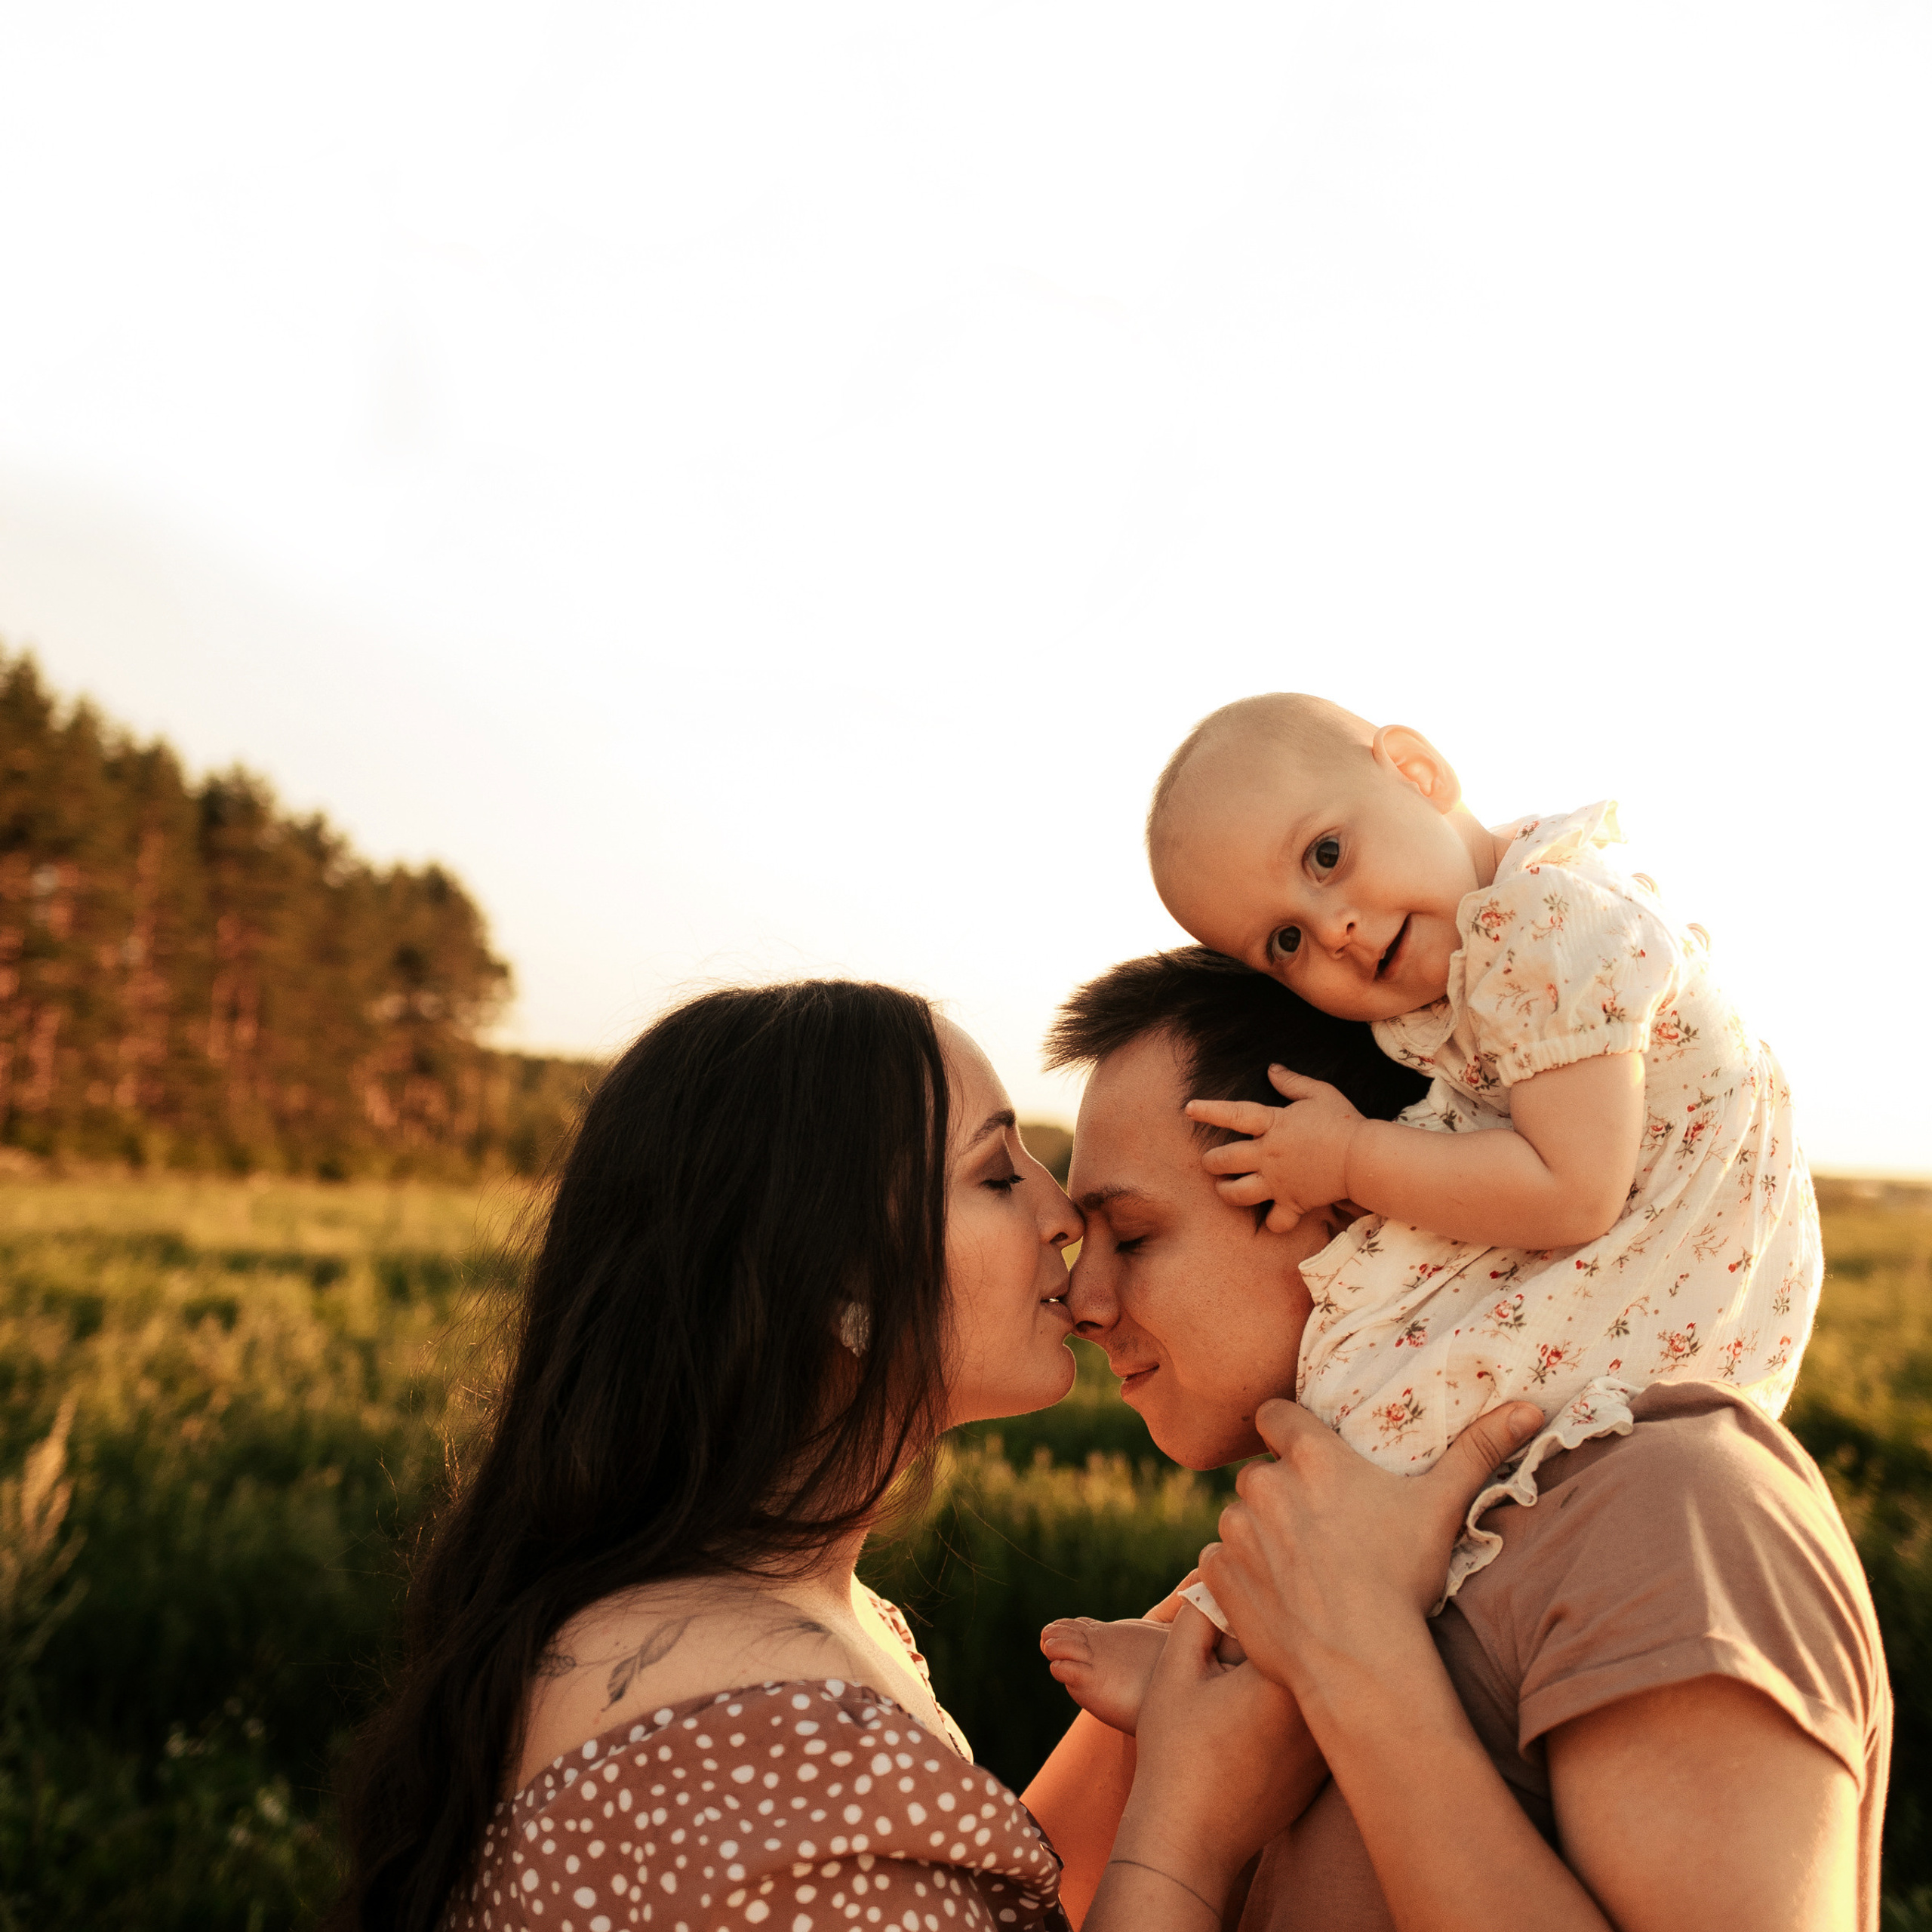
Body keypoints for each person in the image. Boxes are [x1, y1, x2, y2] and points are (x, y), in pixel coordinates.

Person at [327, 979, 1331, 1932]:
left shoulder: (782, 1629)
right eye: (993, 1175)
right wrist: (1189, 1837)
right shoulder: (764, 1733)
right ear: (834, 1287)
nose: (1061, 1218)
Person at [1037, 949, 1887, 1931]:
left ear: (1373, 1204)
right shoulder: (1277, 1576)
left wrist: (1355, 1663)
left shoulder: (1668, 1514)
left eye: (1133, 1236)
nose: (1081, 1301)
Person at [1140, 691, 1823, 1601]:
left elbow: (1569, 1189)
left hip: (1650, 1275)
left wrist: (1348, 1158)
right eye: (1286, 940)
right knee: (1384, 1433)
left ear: (1418, 773)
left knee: (1382, 1432)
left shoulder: (1539, 923)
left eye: (1326, 855)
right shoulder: (1504, 932)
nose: (1334, 928)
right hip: (1650, 1271)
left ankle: (1218, 1631)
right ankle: (1222, 1629)